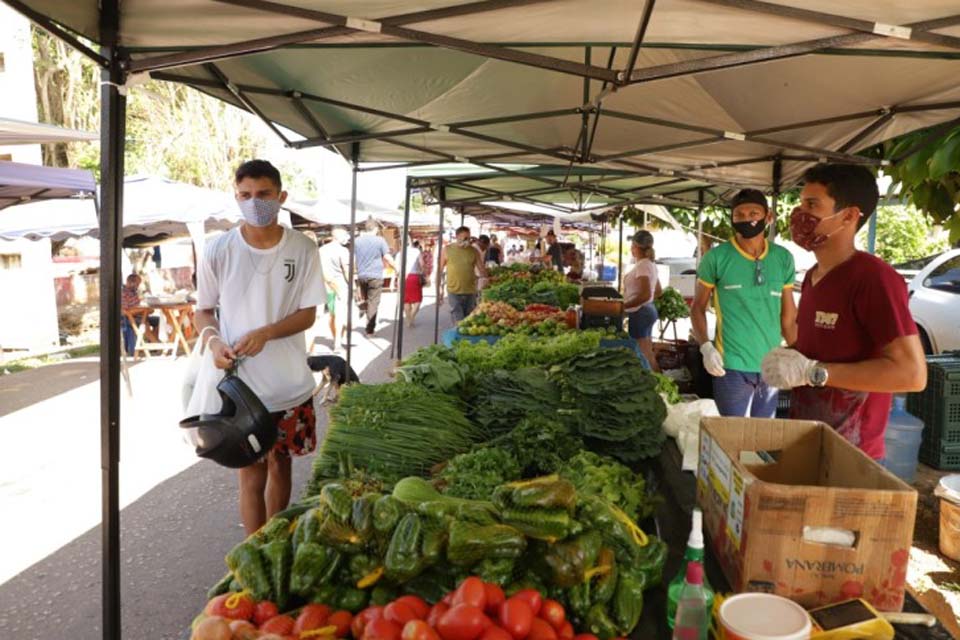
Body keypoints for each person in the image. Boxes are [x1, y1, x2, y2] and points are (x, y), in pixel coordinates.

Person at [761, 164, 926, 460]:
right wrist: (789, 358)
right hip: (807, 439)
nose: (799, 215)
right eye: (801, 204)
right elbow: (822, 351)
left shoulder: (873, 279)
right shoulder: (812, 277)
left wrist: (814, 373)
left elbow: (912, 374)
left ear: (849, 216)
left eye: (812, 205)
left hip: (851, 454)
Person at [195, 159, 325, 534]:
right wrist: (214, 342)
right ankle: (255, 549)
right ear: (236, 198)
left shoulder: (303, 248)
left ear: (281, 196)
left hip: (289, 384)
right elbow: (203, 311)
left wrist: (267, 332)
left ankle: (274, 538)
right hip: (241, 388)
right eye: (245, 195)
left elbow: (308, 314)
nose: (255, 202)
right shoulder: (218, 250)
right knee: (250, 472)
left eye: (264, 194)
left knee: (281, 465)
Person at [691, 189, 797, 418]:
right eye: (739, 214)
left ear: (769, 216)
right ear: (732, 219)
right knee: (734, 435)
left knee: (763, 435)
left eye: (753, 213)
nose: (746, 219)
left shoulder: (783, 258)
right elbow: (697, 308)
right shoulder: (716, 258)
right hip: (731, 366)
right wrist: (706, 347)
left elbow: (788, 318)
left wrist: (799, 354)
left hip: (771, 367)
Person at [622, 231, 662, 371]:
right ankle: (659, 379)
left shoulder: (642, 265)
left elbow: (645, 294)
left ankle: (657, 380)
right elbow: (658, 291)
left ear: (636, 247)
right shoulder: (650, 264)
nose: (631, 249)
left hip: (641, 312)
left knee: (643, 353)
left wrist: (624, 306)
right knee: (647, 351)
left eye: (632, 245)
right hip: (648, 310)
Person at [354, 218, 396, 336]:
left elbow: (353, 258)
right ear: (376, 229)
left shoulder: (357, 241)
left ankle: (363, 308)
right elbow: (387, 257)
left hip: (362, 275)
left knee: (367, 299)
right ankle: (370, 330)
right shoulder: (380, 240)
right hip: (375, 275)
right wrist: (396, 268)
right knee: (373, 303)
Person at [440, 226, 487, 323]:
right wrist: (439, 290)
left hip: (470, 291)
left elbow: (482, 269)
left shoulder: (473, 251)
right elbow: (439, 270)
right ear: (457, 237)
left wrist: (485, 279)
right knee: (459, 320)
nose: (467, 241)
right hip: (454, 291)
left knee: (469, 320)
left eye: (469, 238)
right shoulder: (447, 249)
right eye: (465, 238)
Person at [318, 227, 351, 351]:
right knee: (340, 315)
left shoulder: (321, 250)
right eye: (345, 236)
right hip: (340, 285)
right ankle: (337, 342)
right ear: (338, 237)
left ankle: (335, 338)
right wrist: (353, 285)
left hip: (325, 285)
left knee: (332, 314)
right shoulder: (343, 251)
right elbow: (347, 270)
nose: (346, 238)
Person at [404, 238, 425, 327]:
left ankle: (409, 320)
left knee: (406, 300)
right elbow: (422, 264)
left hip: (404, 277)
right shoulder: (416, 251)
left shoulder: (401, 252)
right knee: (418, 300)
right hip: (414, 276)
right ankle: (411, 318)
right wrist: (423, 272)